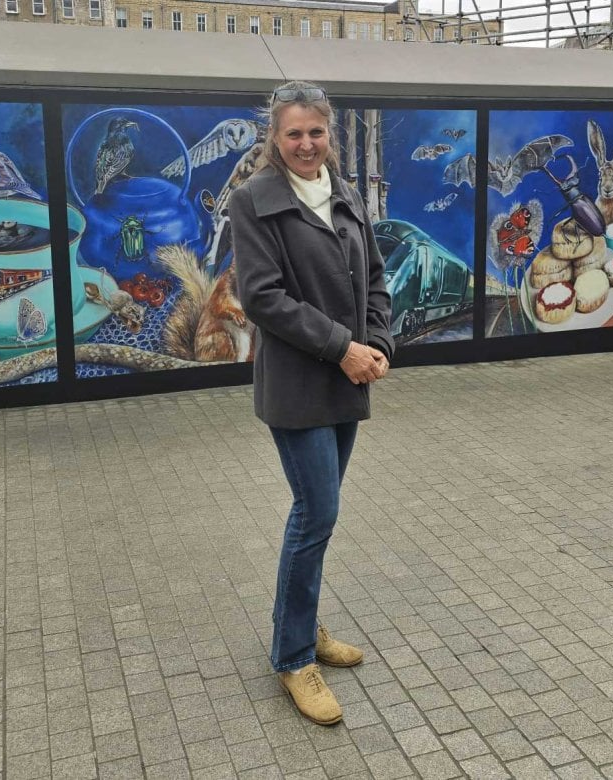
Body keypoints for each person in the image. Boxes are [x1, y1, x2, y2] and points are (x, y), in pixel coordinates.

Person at [229, 81, 394, 726]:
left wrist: (377, 342)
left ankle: (305, 622)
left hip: (347, 377)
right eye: (293, 133)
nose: (305, 144)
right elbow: (264, 298)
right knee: (315, 512)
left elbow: (375, 279)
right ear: (275, 137)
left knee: (319, 518)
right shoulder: (255, 202)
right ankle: (294, 655)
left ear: (330, 134)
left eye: (316, 132)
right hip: (299, 384)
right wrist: (344, 348)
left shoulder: (344, 193)